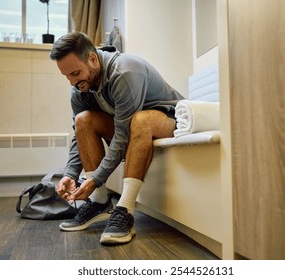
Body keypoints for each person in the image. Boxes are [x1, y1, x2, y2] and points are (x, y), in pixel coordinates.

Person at [50, 32, 184, 244]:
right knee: (83, 120)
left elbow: (122, 136)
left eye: (75, 73)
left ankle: (126, 210)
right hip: (132, 125)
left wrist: (94, 179)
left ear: (93, 59)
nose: (72, 82)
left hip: (172, 118)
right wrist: (71, 174)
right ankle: (99, 202)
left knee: (140, 120)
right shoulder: (79, 88)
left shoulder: (124, 71)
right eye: (67, 76)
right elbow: (80, 134)